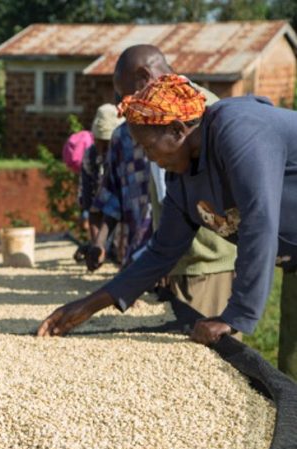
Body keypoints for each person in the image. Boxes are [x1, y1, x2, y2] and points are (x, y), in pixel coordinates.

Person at [37, 74, 297, 381]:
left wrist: (234, 316)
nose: (149, 158)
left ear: (177, 130)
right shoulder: (181, 179)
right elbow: (162, 251)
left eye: (149, 147)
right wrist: (90, 305)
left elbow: (259, 220)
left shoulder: (237, 130)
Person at [92, 45, 236, 318]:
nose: (130, 107)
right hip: (177, 259)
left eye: (129, 96)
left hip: (205, 263)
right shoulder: (157, 113)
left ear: (145, 77)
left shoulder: (198, 107)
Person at [74, 104, 123, 260]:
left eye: (106, 143)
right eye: (99, 142)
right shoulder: (90, 156)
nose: (102, 149)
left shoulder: (124, 158)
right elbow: (90, 204)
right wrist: (97, 246)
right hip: (102, 213)